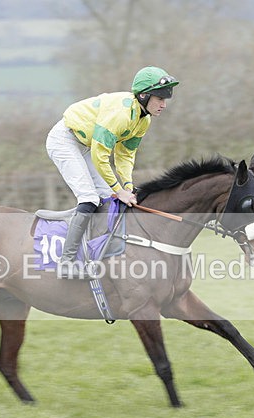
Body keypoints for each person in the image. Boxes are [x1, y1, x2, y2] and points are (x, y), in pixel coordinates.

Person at [46, 66, 179, 277]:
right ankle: (67, 262)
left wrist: (126, 186)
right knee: (89, 198)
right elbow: (101, 156)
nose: (164, 104)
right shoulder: (121, 114)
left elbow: (125, 156)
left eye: (166, 99)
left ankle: (97, 252)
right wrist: (119, 189)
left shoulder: (143, 120)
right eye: (160, 98)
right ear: (143, 96)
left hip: (86, 145)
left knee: (109, 198)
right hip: (64, 141)